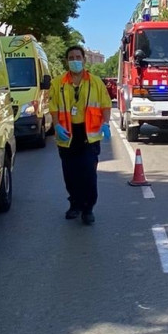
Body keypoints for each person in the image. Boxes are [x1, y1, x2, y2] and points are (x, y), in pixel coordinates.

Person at [49, 45, 112, 224]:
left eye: (78, 57)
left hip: (88, 135)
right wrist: (56, 126)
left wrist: (105, 123)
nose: (75, 60)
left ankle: (88, 208)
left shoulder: (95, 82)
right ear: (66, 61)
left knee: (89, 175)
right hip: (67, 135)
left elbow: (105, 105)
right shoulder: (57, 83)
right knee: (70, 174)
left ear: (84, 60)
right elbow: (53, 108)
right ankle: (75, 204)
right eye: (71, 58)